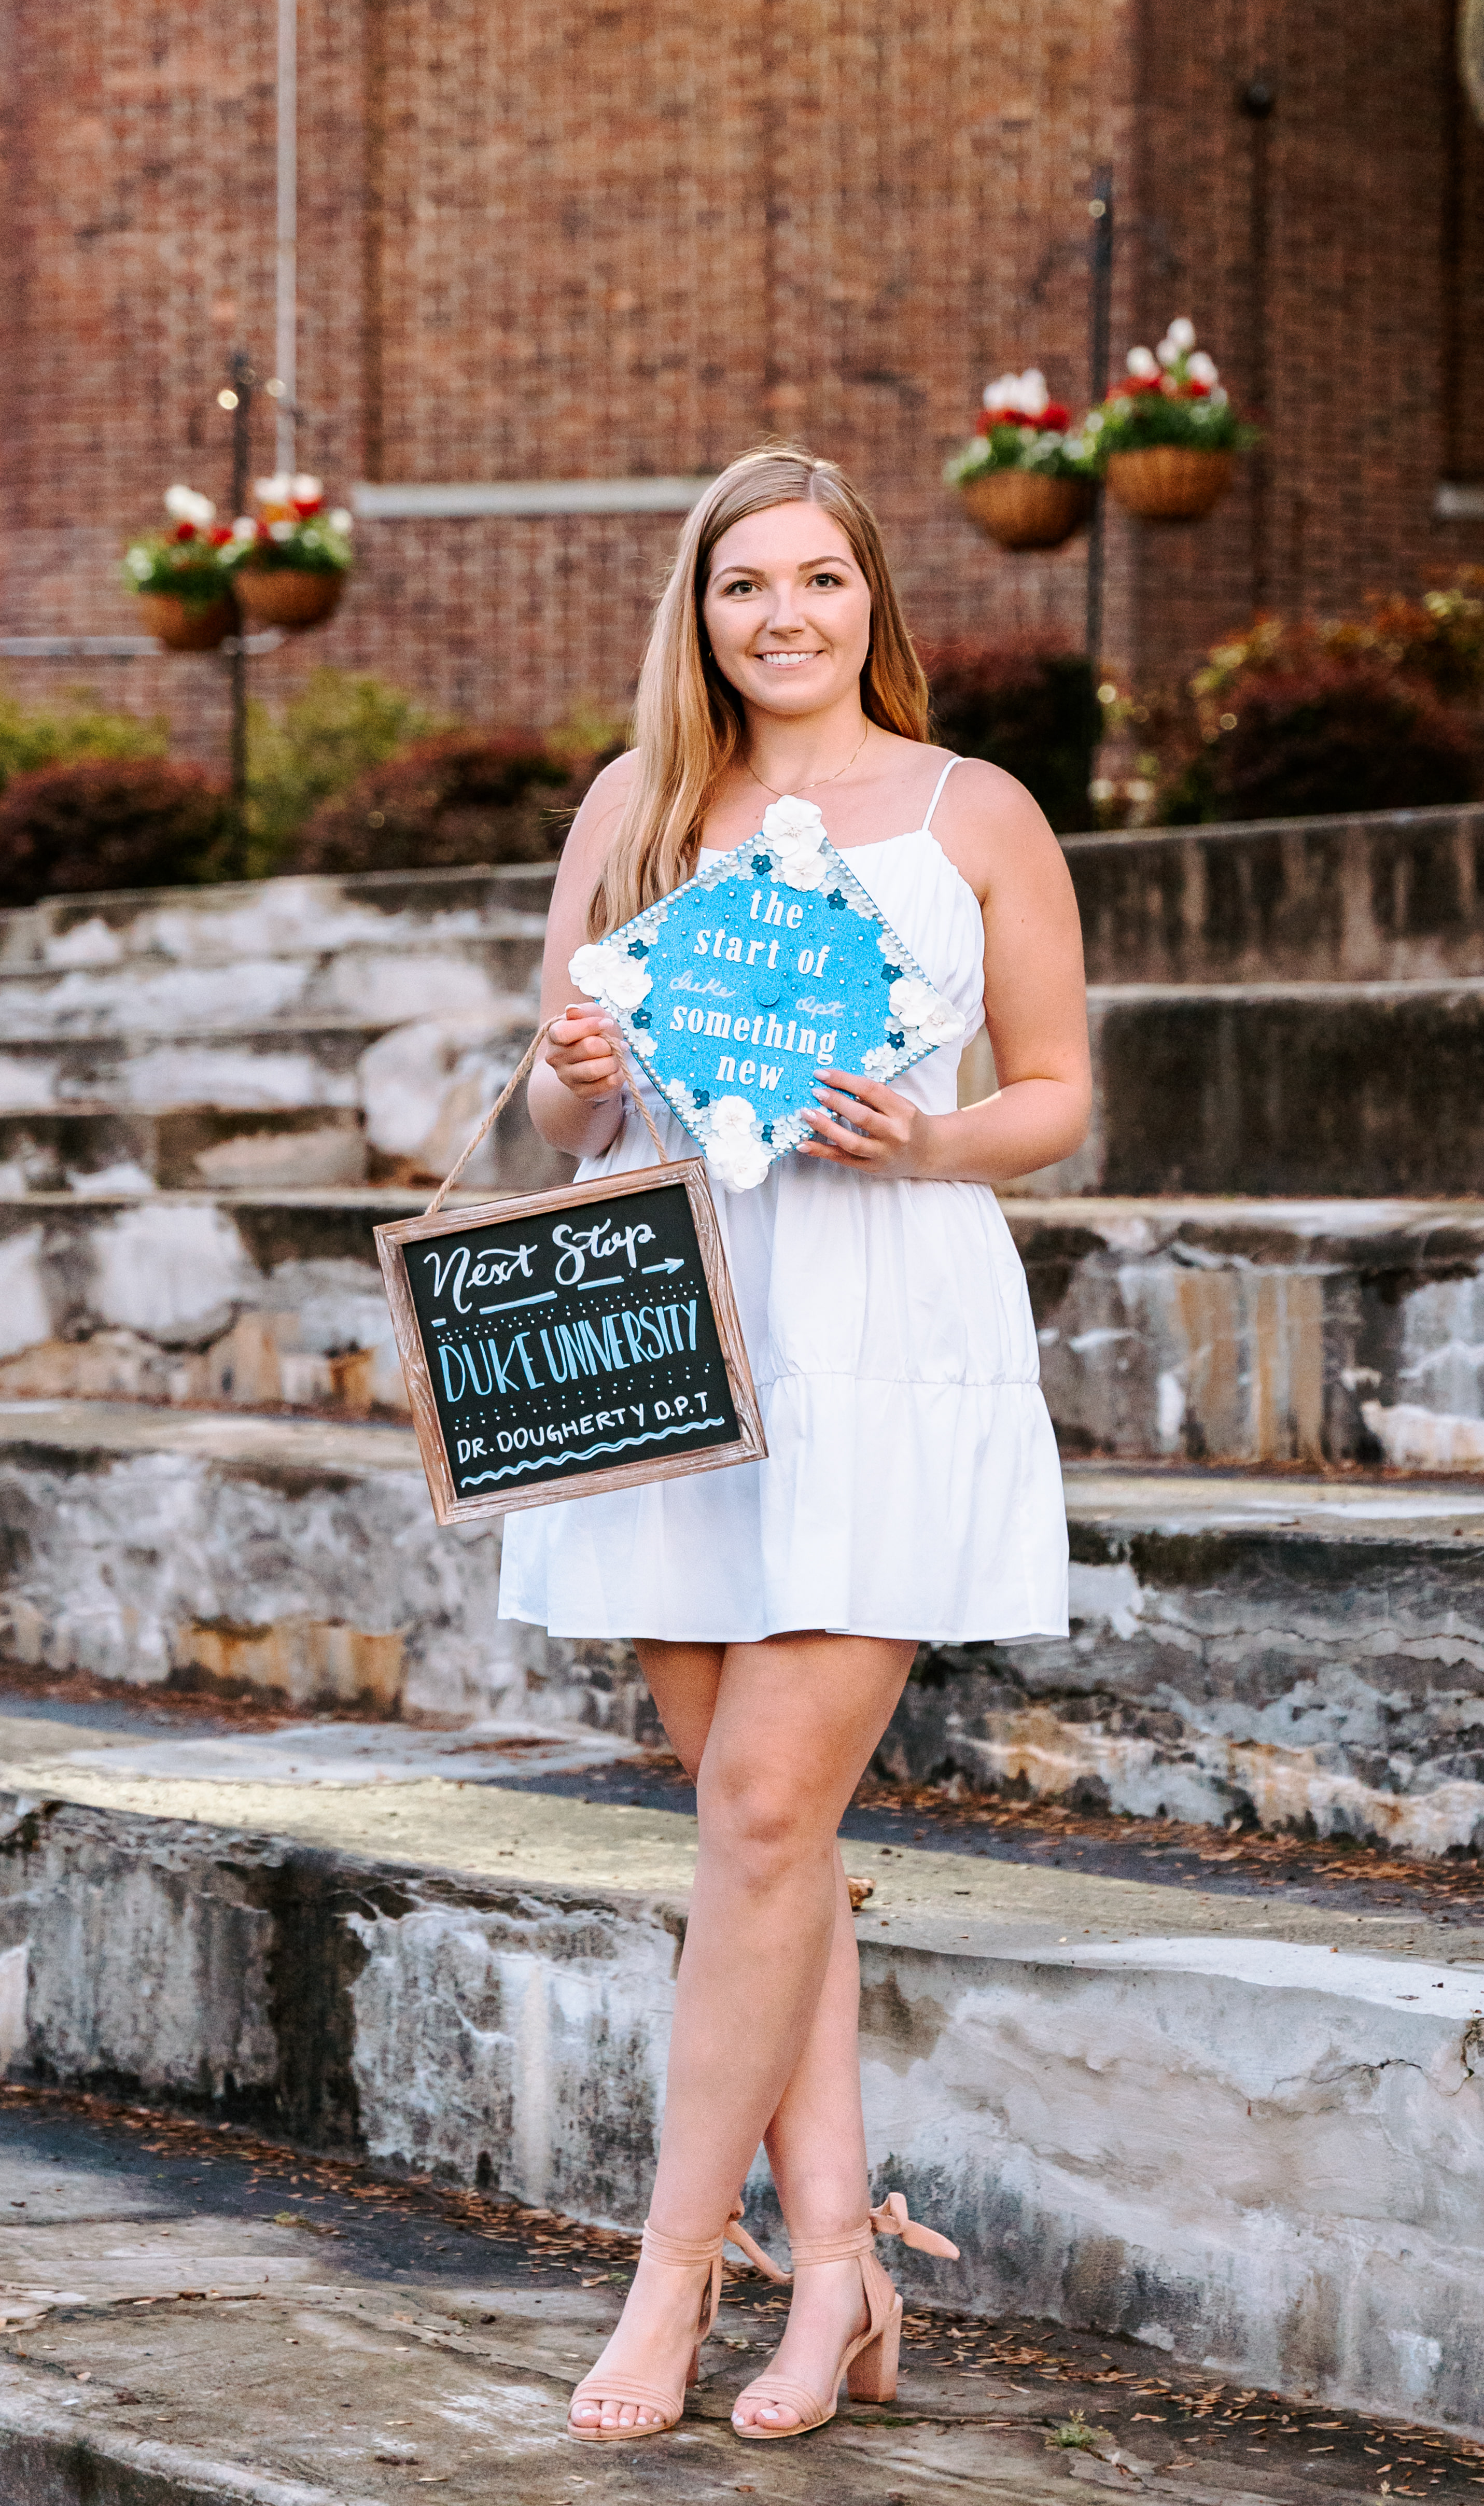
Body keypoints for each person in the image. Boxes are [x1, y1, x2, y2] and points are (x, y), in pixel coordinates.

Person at [503, 443, 1090, 2444]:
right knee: (777, 1843)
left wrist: (925, 1131)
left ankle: (673, 2274)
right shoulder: (639, 806)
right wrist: (573, 1066)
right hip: (678, 1330)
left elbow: (1058, 1092)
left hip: (884, 1327)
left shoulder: (969, 811)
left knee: (760, 1812)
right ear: (703, 614)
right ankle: (834, 2262)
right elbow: (556, 1105)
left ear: (871, 605)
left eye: (820, 581)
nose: (784, 617)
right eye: (745, 585)